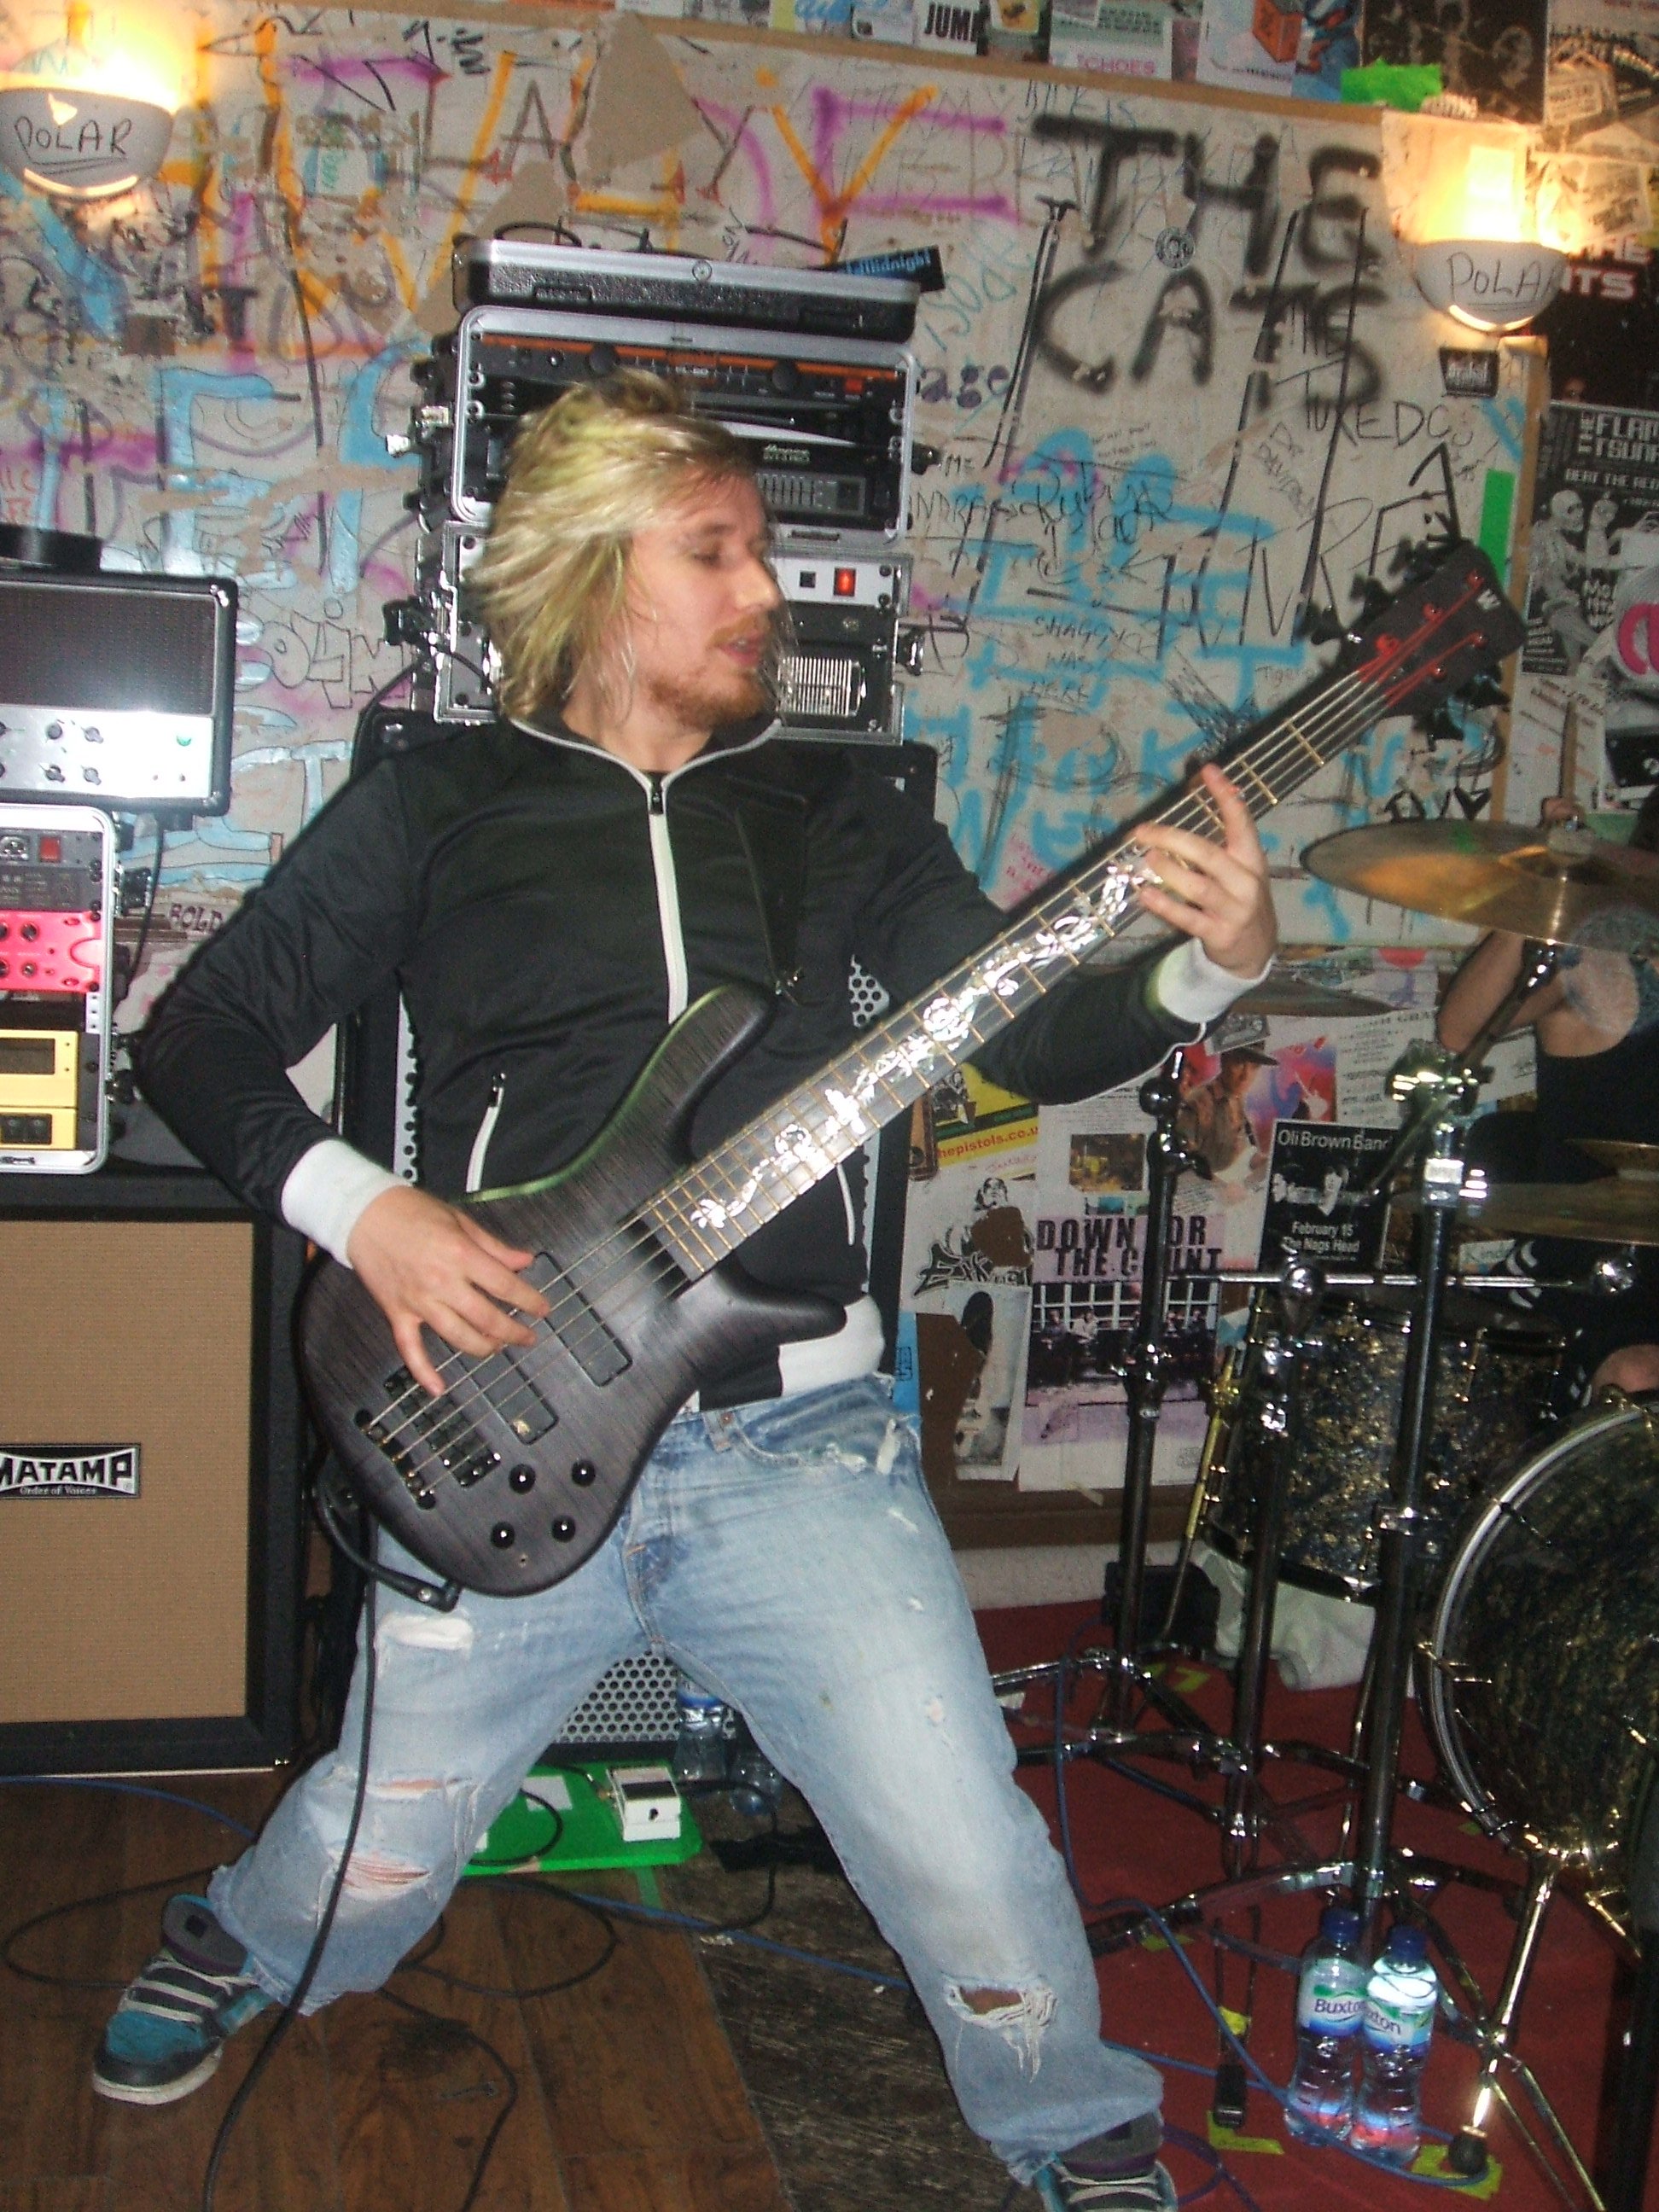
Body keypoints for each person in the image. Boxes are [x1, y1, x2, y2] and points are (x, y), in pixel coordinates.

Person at [95, 373, 1277, 2211]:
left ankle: (1074, 2127)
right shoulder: (436, 803)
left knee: (961, 1844)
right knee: (377, 1839)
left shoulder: (834, 808)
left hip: (801, 1440)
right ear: (589, 572)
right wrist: (371, 1215)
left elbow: (1020, 1037)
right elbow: (202, 1036)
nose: (765, 590)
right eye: (713, 552)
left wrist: (1209, 971)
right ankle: (243, 1938)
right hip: (504, 1411)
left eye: (765, 552)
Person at [1437, 791, 1659, 1400]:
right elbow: (1461, 1029)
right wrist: (1546, 888)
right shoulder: (1604, 966)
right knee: (1639, 1376)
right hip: (1592, 1279)